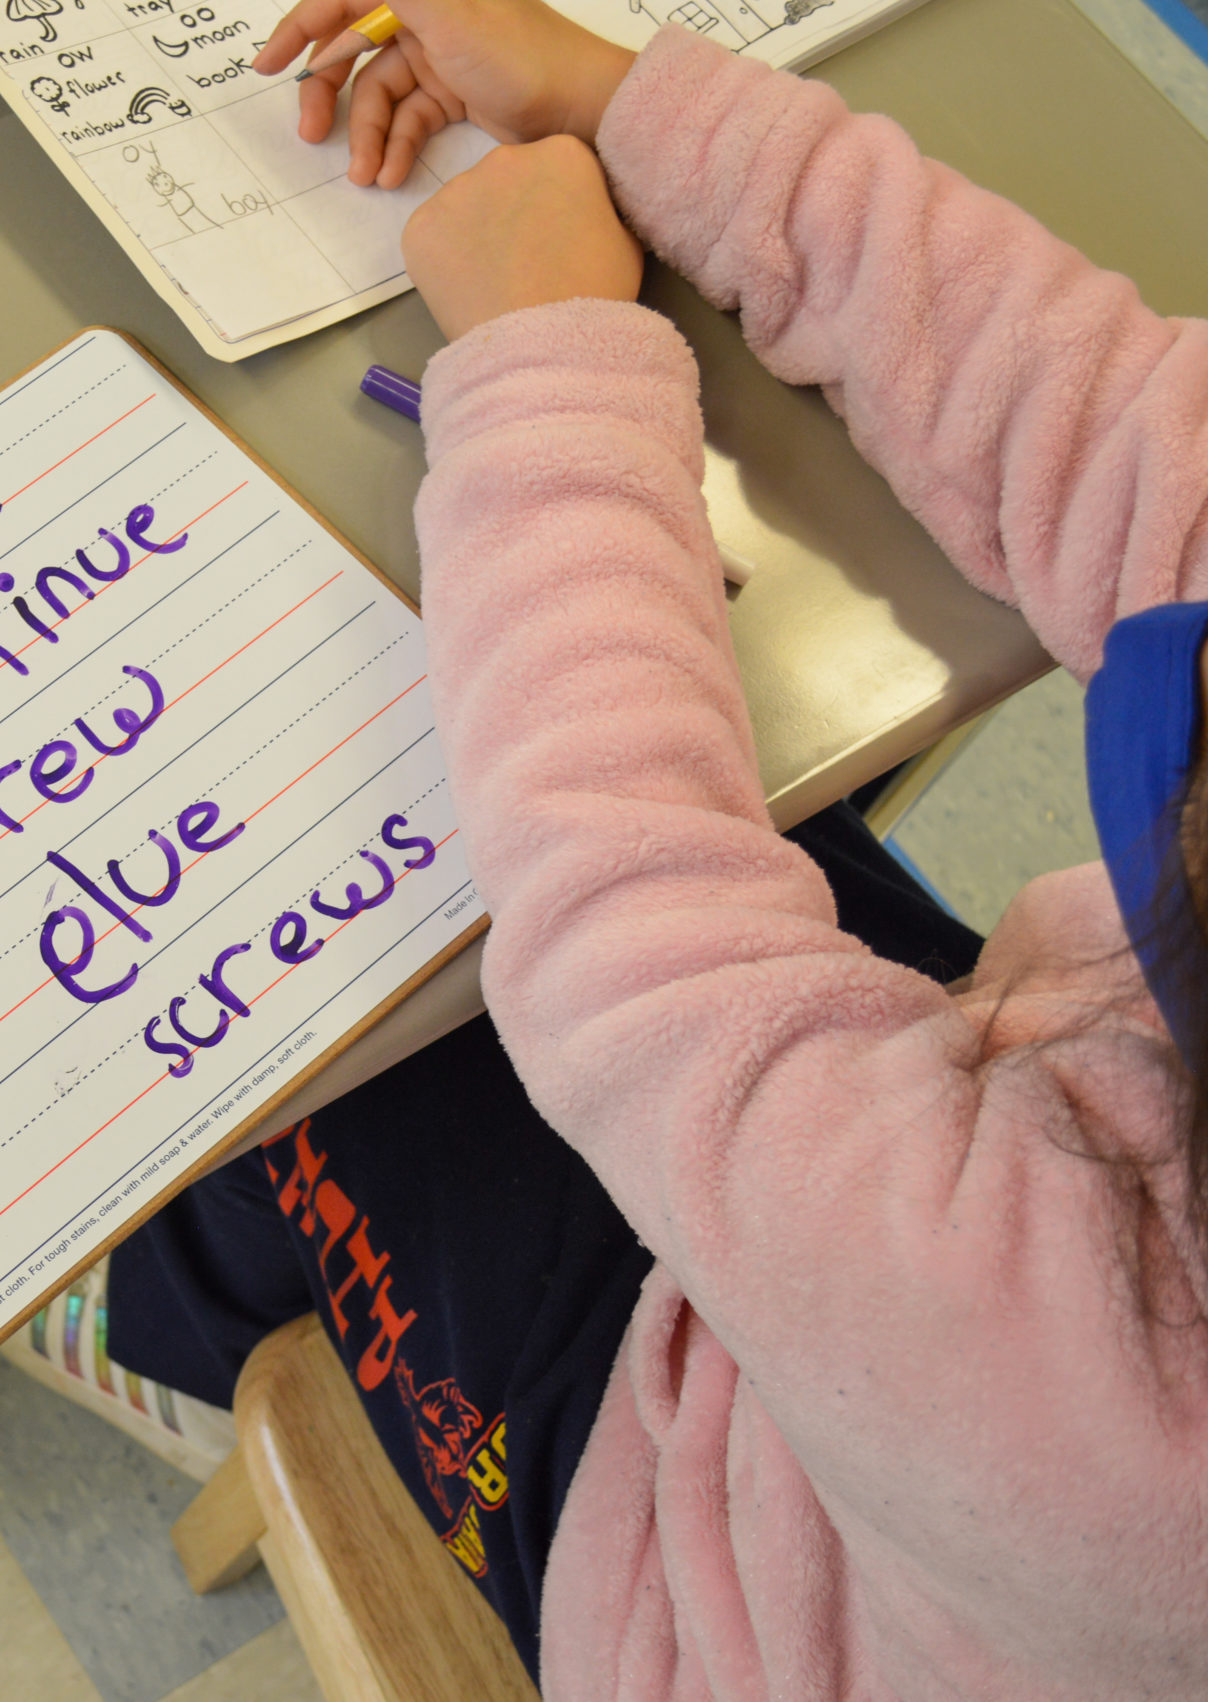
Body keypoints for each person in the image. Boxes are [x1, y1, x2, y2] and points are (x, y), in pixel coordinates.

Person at [103, 3, 1208, 1696]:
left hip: (699, 1526)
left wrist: (548, 358)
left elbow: (636, 943)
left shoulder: (1111, 1408)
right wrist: (628, 103)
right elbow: (1138, 434)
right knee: (709, 788)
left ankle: (152, 1295)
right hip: (997, 1132)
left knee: (325, 985)